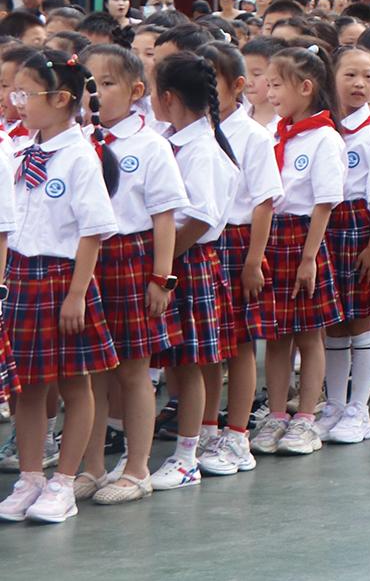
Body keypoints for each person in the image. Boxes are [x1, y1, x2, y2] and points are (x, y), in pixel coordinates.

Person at [0, 50, 115, 525]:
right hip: (21, 278)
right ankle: (31, 476)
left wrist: (76, 293)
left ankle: (64, 483)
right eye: (14, 93)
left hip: (63, 278)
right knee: (27, 386)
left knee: (75, 382)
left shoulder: (80, 158)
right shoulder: (21, 152)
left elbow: (92, 232)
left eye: (25, 94)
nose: (16, 102)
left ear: (61, 98)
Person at [71, 45, 186, 504]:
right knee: (90, 373)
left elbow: (164, 217)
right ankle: (93, 466)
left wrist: (162, 278)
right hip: (87, 258)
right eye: (89, 85)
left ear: (137, 90)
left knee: (134, 371)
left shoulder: (151, 144)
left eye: (107, 84)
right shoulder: (78, 141)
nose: (95, 94)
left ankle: (137, 469)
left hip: (131, 258)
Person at [143, 53, 235, 491]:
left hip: (188, 261)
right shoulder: (174, 141)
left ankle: (186, 457)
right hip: (174, 260)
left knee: (191, 361)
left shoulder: (202, 150)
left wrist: (161, 265)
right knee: (177, 361)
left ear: (168, 98)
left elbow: (200, 218)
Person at [250, 47, 345, 456]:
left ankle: (305, 417)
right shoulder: (273, 133)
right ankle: (276, 413)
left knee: (308, 334)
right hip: (271, 237)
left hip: (303, 237)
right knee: (276, 335)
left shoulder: (324, 137)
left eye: (276, 85)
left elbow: (324, 203)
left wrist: (309, 258)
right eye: (267, 84)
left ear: (306, 88)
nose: (269, 92)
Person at [198, 42, 281, 475]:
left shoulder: (253, 136)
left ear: (238, 86)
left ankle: (237, 435)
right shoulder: (193, 131)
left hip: (239, 241)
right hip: (204, 242)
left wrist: (253, 261)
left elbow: (264, 202)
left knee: (241, 343)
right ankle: (207, 428)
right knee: (209, 345)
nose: (205, 89)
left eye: (213, 80)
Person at [317, 46, 370, 445]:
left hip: (360, 227)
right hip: (326, 226)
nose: (359, 83)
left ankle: (358, 409)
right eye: (350, 74)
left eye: (368, 76)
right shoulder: (324, 130)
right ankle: (334, 404)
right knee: (334, 323)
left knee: (361, 319)